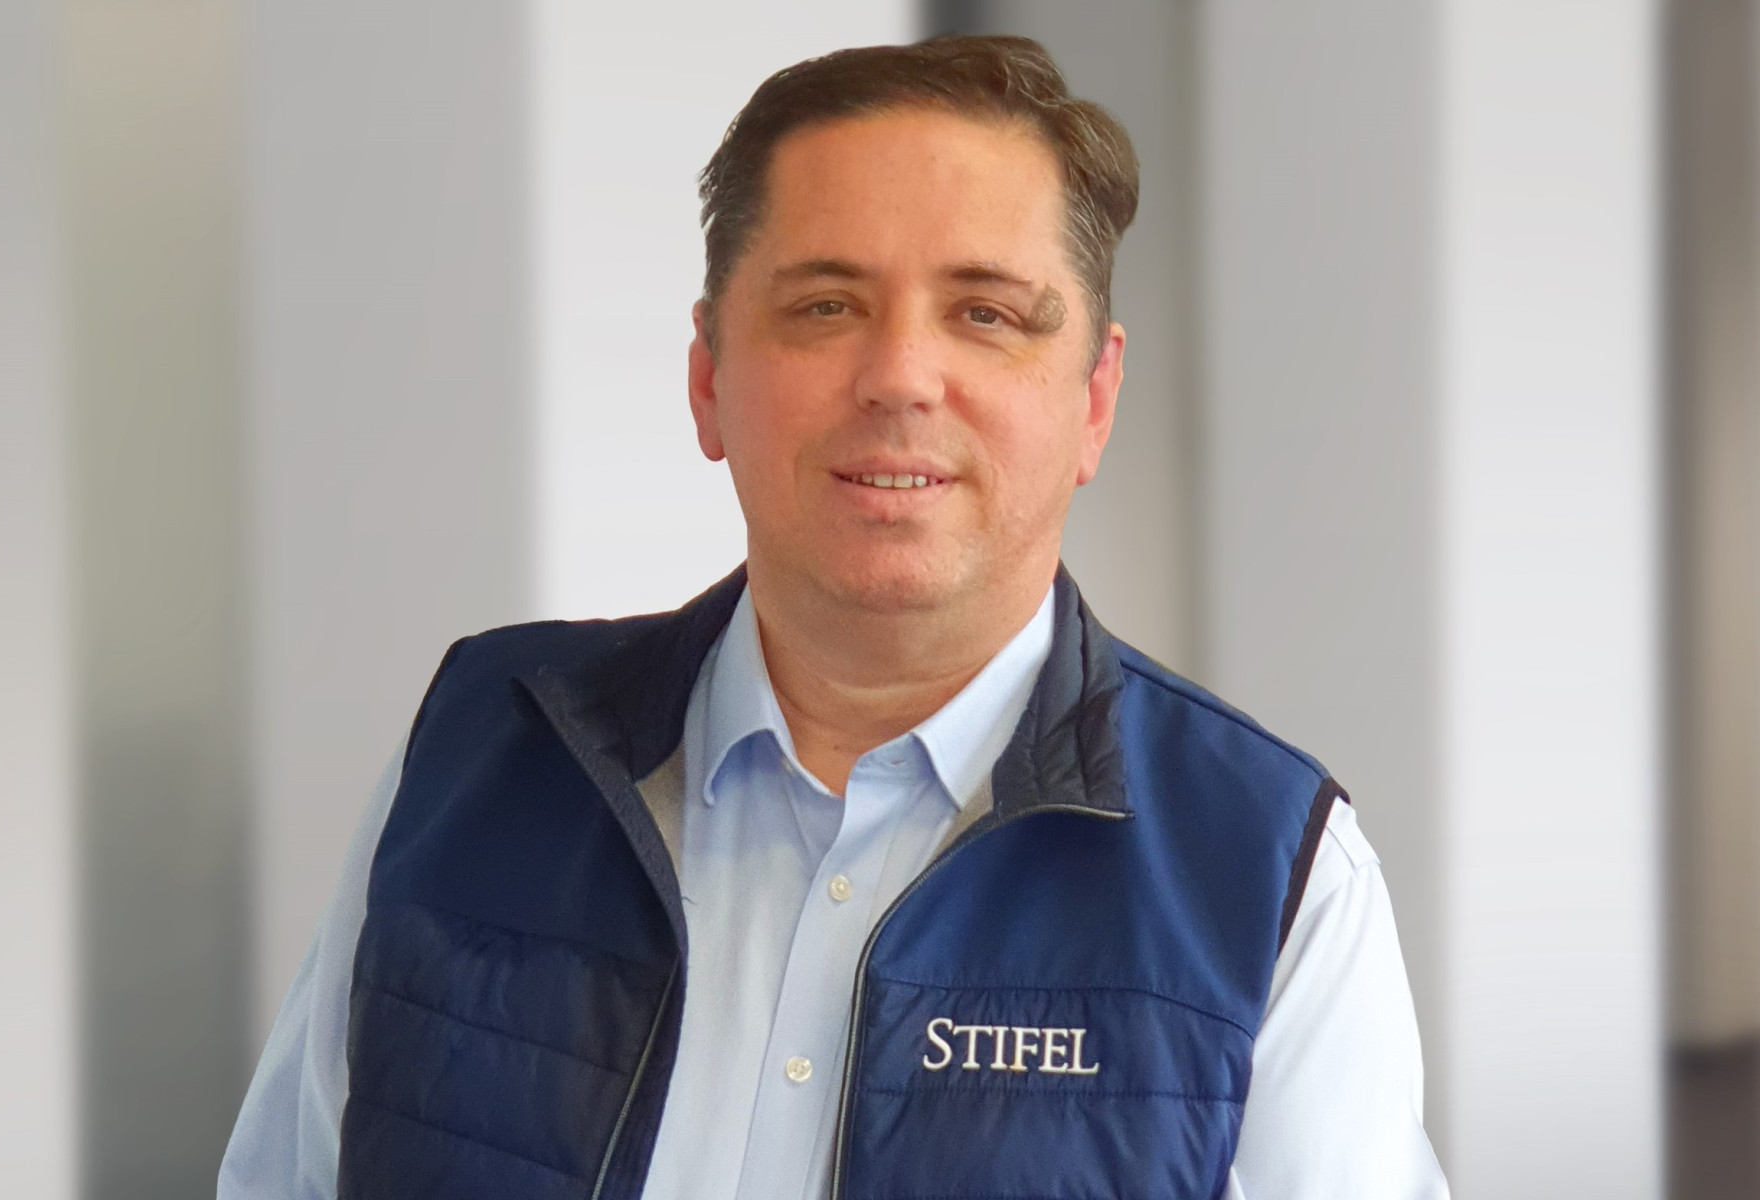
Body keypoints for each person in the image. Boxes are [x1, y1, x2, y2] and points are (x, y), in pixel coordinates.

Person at [220, 35, 1447, 1200]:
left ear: (1093, 400)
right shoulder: (474, 757)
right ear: (708, 378)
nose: (899, 375)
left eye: (985, 313)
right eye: (823, 306)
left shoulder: (1270, 874)